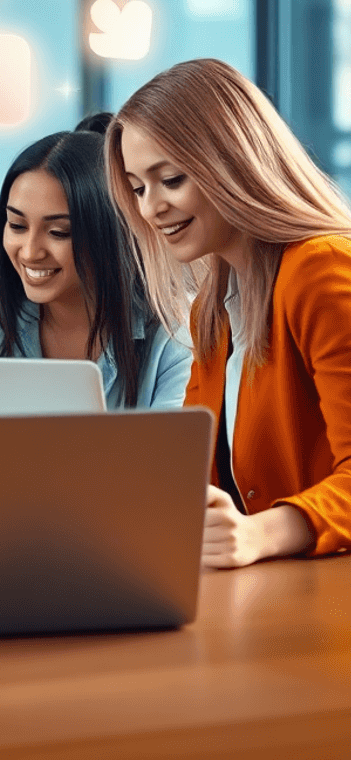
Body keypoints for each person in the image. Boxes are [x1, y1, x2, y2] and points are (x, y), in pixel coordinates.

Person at [107, 58, 351, 568]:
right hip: (269, 601)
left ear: (233, 162)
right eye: (137, 188)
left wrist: (263, 533)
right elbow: (197, 479)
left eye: (170, 179)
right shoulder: (212, 314)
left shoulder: (322, 269)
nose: (151, 208)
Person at [0, 117, 191, 410]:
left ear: (110, 234)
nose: (30, 252)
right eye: (17, 225)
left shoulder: (175, 333)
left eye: (58, 232)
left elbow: (171, 455)